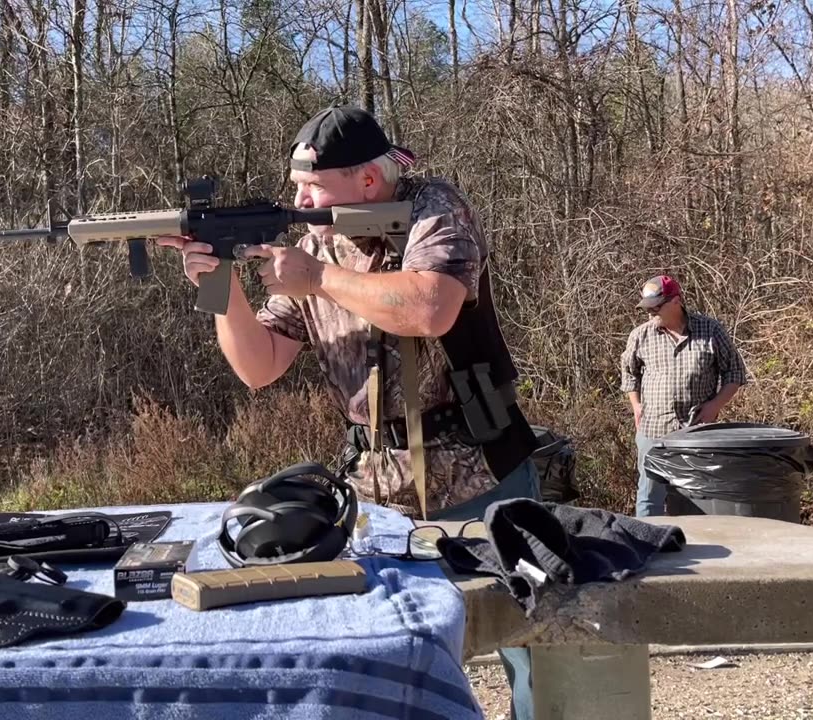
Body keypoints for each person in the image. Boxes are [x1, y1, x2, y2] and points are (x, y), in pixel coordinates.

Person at [159, 104, 542, 720]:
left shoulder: (434, 209)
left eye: (314, 184)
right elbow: (259, 366)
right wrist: (217, 283)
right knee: (390, 659)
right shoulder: (316, 244)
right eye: (298, 186)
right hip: (375, 492)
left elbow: (429, 308)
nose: (303, 197)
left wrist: (317, 277)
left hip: (478, 473)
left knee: (526, 647)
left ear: (367, 180)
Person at [619, 275, 749, 517]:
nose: (651, 313)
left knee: (696, 500)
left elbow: (735, 372)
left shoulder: (709, 330)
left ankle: (696, 549)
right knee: (649, 498)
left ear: (676, 301)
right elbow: (629, 375)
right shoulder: (640, 336)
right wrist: (636, 405)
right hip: (653, 430)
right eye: (647, 308)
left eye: (657, 307)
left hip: (696, 433)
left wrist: (714, 406)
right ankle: (650, 547)